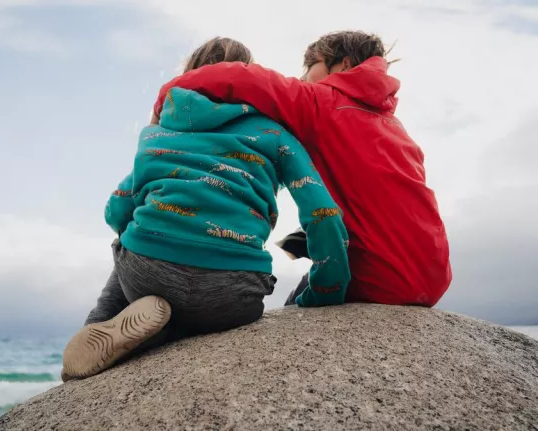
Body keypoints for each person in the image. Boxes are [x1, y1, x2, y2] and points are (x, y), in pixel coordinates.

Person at [61, 38, 350, 381]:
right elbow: (323, 213)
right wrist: (329, 286)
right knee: (202, 310)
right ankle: (162, 331)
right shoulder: (275, 134)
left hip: (147, 275)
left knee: (126, 239)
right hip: (231, 293)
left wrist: (149, 230)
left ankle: (97, 332)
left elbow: (115, 210)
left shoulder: (158, 132)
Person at [153, 31, 451, 308]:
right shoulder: (394, 127)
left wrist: (167, 95)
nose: (303, 76)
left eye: (310, 66)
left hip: (381, 281)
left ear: (343, 65)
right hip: (433, 278)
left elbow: (240, 77)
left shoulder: (321, 103)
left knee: (296, 306)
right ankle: (303, 241)